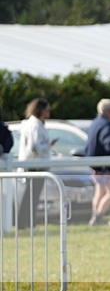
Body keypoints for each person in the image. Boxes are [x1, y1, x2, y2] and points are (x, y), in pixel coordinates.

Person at [16, 98, 54, 230]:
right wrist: (48, 146)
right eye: (47, 109)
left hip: (35, 165)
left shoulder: (36, 124)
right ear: (40, 110)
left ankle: (25, 223)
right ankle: (25, 223)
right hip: (34, 166)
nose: (49, 112)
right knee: (31, 196)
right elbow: (35, 147)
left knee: (32, 196)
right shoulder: (35, 125)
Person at [85, 98, 110, 225]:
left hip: (96, 166)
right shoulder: (106, 125)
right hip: (106, 166)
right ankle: (98, 216)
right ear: (109, 111)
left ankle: (94, 216)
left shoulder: (95, 123)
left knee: (100, 192)